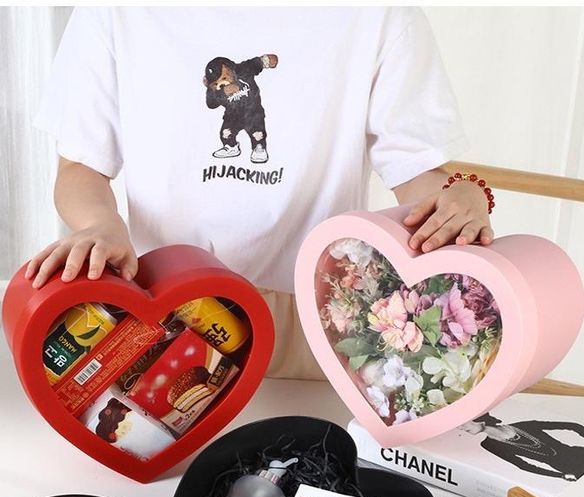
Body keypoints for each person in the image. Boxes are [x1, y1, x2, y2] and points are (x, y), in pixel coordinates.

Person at [26, 7, 494, 379]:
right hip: (163, 311)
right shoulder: (114, 11)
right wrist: (100, 224)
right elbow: (80, 166)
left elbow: (416, 173)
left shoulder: (380, 15)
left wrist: (460, 197)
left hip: (312, 320)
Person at [460, 413, 584, 481]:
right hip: (568, 469)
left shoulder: (525, 425)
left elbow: (572, 426)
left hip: (582, 454)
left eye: (463, 423)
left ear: (479, 418)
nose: (461, 428)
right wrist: (560, 476)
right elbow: (523, 465)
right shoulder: (488, 445)